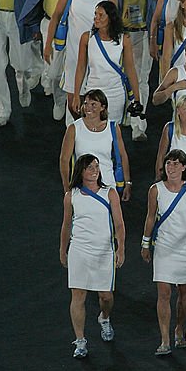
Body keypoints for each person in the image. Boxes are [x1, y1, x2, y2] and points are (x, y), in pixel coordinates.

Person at [105, 0, 170, 140]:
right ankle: (122, 114)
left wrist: (157, 39)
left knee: (141, 79)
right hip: (120, 33)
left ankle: (138, 124)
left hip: (143, 33)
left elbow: (163, 9)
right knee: (118, 75)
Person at [60, 154, 124, 359]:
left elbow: (119, 224)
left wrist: (120, 248)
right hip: (79, 250)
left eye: (96, 166)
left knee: (106, 296)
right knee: (78, 296)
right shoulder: (72, 195)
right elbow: (66, 225)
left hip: (104, 251)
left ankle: (104, 318)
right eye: (90, 167)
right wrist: (63, 249)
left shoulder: (110, 193)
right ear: (81, 171)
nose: (95, 170)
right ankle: (80, 341)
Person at [141, 149, 186, 356]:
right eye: (169, 163)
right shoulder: (156, 190)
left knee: (184, 291)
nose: (172, 167)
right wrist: (145, 242)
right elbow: (150, 217)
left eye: (177, 164)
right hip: (164, 247)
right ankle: (165, 339)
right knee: (164, 293)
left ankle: (179, 327)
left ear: (184, 167)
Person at [45, 0, 117, 121]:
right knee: (73, 103)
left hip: (95, 54)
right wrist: (48, 44)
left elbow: (113, 27)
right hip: (73, 52)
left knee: (93, 100)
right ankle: (73, 134)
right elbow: (56, 15)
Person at [72, 0, 140, 123]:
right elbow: (81, 67)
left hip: (115, 94)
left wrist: (137, 98)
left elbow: (130, 70)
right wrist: (76, 94)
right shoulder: (87, 38)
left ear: (111, 18)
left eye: (101, 15)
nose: (96, 18)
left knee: (112, 131)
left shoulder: (124, 39)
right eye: (95, 14)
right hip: (93, 92)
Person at [59, 89, 131, 198]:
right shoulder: (74, 128)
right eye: (86, 103)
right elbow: (64, 160)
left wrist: (128, 183)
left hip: (108, 185)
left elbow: (122, 155)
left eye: (93, 104)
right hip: (81, 186)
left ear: (103, 107)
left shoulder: (113, 127)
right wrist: (66, 188)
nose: (88, 107)